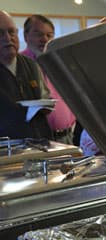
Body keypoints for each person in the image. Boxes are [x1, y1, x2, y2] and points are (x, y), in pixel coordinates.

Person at [21, 14, 77, 144]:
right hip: (39, 140)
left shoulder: (57, 63)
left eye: (49, 35)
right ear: (25, 36)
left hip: (68, 136)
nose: (44, 39)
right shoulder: (20, 65)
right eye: (38, 34)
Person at [0, 10, 51, 139]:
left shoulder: (31, 64)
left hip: (40, 145)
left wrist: (46, 105)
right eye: (0, 33)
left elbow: (45, 96)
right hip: (7, 151)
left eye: (11, 32)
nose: (8, 38)